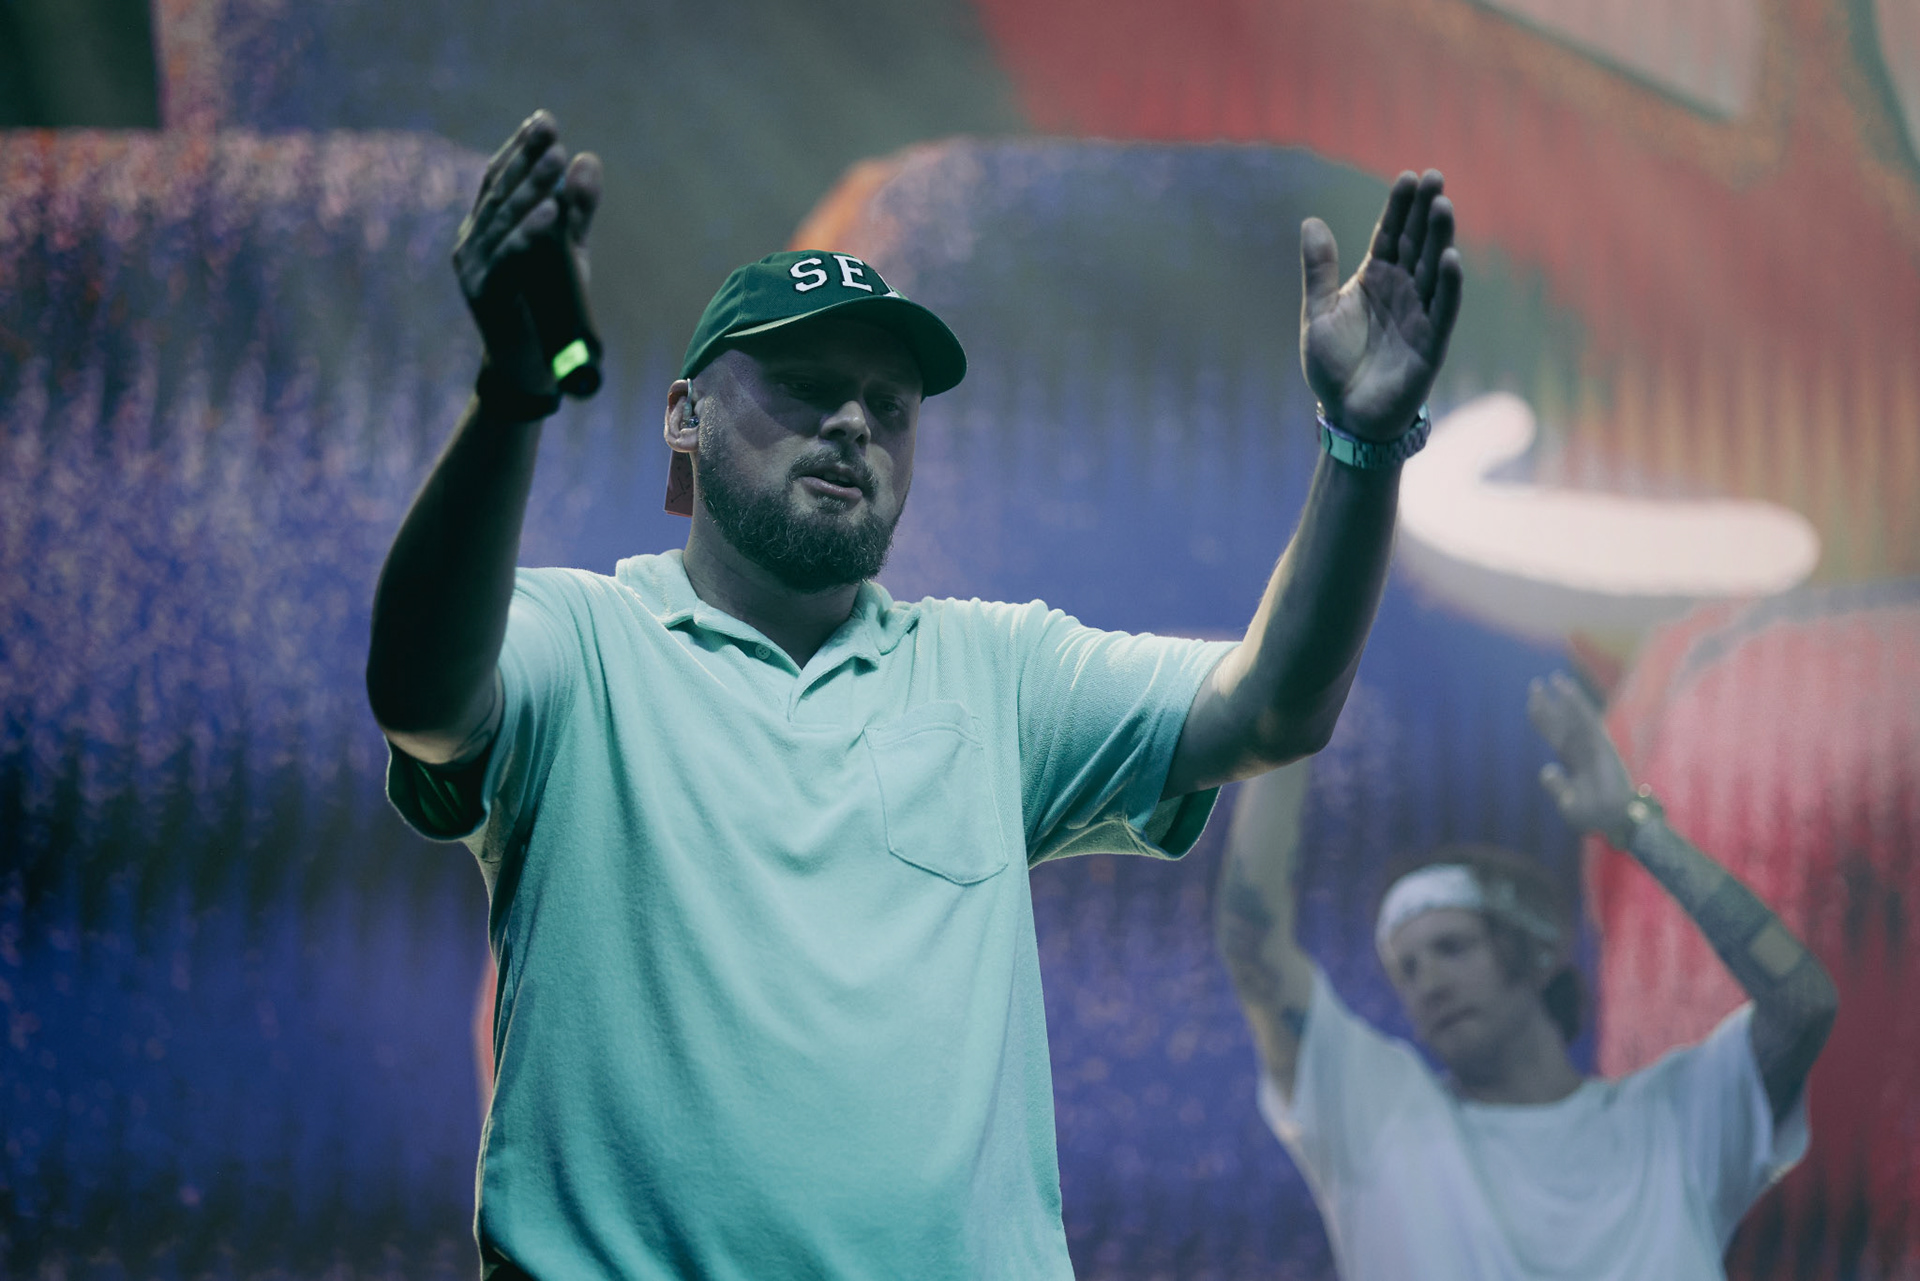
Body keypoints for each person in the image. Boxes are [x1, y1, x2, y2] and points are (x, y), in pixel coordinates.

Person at [363, 108, 1464, 1279]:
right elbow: (423, 695)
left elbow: (1275, 706)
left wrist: (1362, 445)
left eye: (889, 407)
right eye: (804, 386)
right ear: (683, 416)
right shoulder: (583, 644)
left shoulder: (994, 672)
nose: (853, 422)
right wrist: (515, 390)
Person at [1215, 672, 1840, 1280]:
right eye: (1407, 969)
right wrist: (1289, 715)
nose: (1428, 981)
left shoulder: (1676, 1120)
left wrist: (1633, 825)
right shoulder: (1380, 1116)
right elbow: (1252, 946)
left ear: (1535, 954)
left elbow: (1803, 1003)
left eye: (1452, 947)